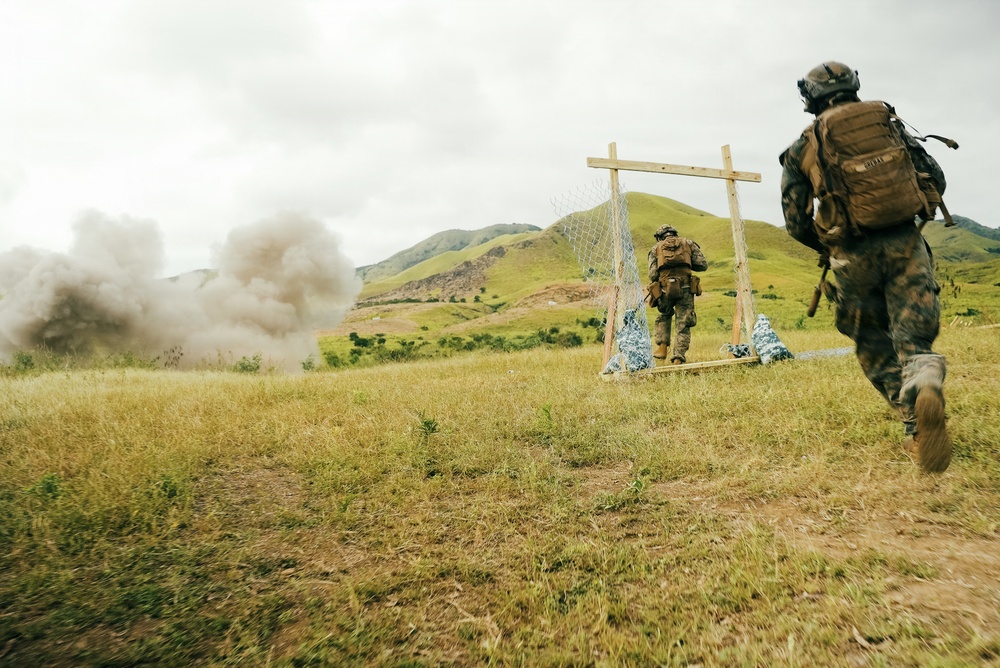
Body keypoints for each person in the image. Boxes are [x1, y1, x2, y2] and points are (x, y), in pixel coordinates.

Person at [779, 61, 952, 473]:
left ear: (810, 97)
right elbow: (935, 177)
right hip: (905, 243)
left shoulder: (804, 146)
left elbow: (795, 220)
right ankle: (925, 377)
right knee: (915, 340)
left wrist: (830, 242)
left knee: (871, 340)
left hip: (852, 255)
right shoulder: (889, 124)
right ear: (854, 86)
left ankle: (912, 420)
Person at [647, 224, 707, 364]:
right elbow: (703, 264)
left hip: (664, 290)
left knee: (664, 316)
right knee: (683, 322)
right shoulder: (688, 243)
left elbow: (652, 274)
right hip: (685, 288)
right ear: (675, 234)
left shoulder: (655, 249)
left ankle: (662, 347)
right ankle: (678, 357)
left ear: (660, 237)